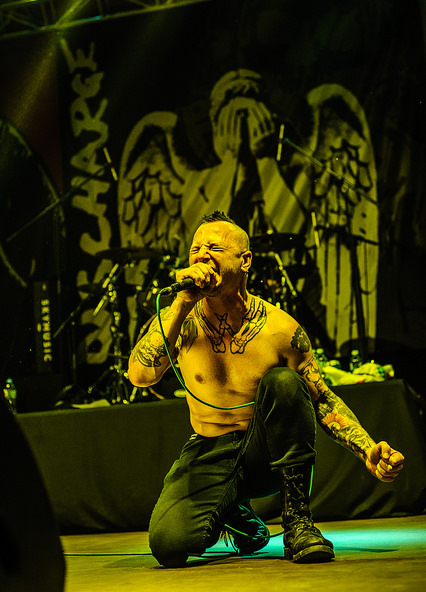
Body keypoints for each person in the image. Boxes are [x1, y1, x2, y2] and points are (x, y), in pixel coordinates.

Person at [127, 210, 404, 568]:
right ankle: (236, 514)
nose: (202, 255)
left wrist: (367, 448)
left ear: (245, 261)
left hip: (267, 454)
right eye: (196, 249)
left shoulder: (280, 329)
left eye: (214, 248)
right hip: (209, 450)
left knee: (284, 381)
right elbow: (140, 376)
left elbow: (322, 398)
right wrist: (181, 302)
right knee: (168, 544)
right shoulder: (178, 320)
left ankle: (298, 524)